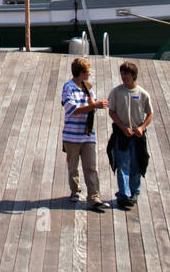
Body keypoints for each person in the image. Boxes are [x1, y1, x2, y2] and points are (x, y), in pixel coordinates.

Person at [60, 56, 108, 213]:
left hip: (87, 134)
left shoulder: (88, 87)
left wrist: (95, 106)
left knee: (91, 166)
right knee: (73, 166)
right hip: (72, 135)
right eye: (87, 71)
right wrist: (93, 105)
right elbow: (71, 109)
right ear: (80, 72)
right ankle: (75, 191)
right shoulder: (68, 87)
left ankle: (94, 197)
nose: (89, 74)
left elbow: (90, 106)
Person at [108, 61, 152, 209]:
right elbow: (112, 112)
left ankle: (134, 192)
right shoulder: (116, 92)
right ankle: (123, 194)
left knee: (137, 164)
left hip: (137, 135)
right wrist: (122, 127)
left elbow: (150, 113)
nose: (123, 76)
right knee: (122, 164)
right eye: (122, 73)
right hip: (122, 134)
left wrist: (142, 127)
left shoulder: (142, 93)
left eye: (126, 73)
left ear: (133, 75)